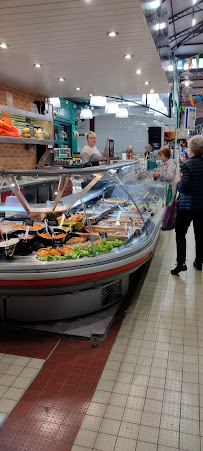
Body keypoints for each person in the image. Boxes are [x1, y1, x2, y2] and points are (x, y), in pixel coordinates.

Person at [171, 135, 203, 275]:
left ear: (191, 149)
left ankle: (181, 263)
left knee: (180, 233)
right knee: (200, 234)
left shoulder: (186, 165)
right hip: (202, 207)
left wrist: (178, 182)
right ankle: (199, 262)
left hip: (187, 207)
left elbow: (185, 188)